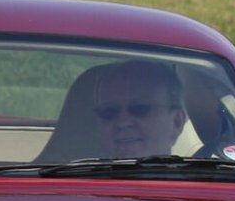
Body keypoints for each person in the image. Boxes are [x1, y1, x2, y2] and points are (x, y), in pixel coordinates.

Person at [47, 58, 188, 162]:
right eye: (109, 113)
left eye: (140, 109)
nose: (123, 122)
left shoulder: (203, 191)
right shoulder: (67, 192)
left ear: (177, 122)